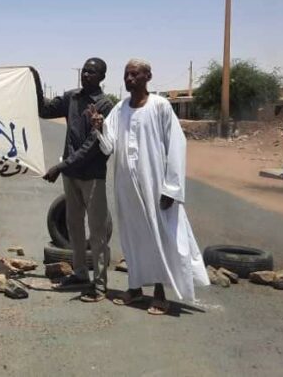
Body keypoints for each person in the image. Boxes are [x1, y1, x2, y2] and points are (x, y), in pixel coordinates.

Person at [90, 59, 209, 315]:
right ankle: (134, 287)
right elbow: (108, 146)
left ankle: (159, 292)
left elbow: (177, 147)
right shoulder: (120, 109)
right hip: (126, 186)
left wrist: (172, 188)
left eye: (135, 74)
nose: (129, 79)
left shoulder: (161, 106)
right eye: (126, 75)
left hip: (156, 185)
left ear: (148, 77)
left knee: (158, 236)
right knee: (132, 236)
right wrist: (99, 127)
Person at [36, 58, 114, 303]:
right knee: (74, 227)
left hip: (92, 176)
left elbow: (93, 146)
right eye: (85, 71)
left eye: (92, 72)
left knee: (98, 232)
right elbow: (44, 110)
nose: (86, 75)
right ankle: (80, 273)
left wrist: (60, 166)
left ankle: (100, 284)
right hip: (71, 176)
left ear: (102, 77)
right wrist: (35, 80)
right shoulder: (72, 98)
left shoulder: (105, 104)